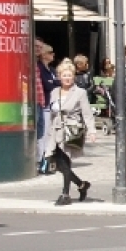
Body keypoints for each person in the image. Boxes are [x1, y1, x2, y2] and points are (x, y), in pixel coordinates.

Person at [45, 60, 95, 206]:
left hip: (70, 130)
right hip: (55, 131)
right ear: (59, 76)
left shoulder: (80, 93)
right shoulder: (55, 92)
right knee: (57, 163)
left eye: (70, 75)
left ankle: (65, 194)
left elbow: (87, 113)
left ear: (74, 77)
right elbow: (51, 113)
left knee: (65, 161)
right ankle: (81, 184)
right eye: (64, 75)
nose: (67, 78)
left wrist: (92, 130)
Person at [36, 41, 59, 163]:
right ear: (44, 54)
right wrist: (55, 83)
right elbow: (47, 84)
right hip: (44, 103)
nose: (53, 55)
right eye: (51, 53)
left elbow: (56, 83)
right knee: (43, 132)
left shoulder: (51, 69)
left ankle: (47, 156)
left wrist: (54, 83)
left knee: (50, 132)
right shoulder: (39, 67)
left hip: (52, 103)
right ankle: (41, 158)